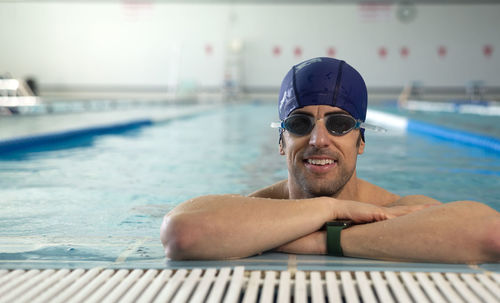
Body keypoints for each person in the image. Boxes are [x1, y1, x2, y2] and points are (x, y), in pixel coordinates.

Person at [161, 57, 500, 263]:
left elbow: (491, 233)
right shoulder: (256, 207)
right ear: (282, 141)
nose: (319, 140)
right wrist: (332, 210)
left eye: (339, 125)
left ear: (361, 141)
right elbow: (183, 234)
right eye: (299, 124)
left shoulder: (396, 208)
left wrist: (325, 240)